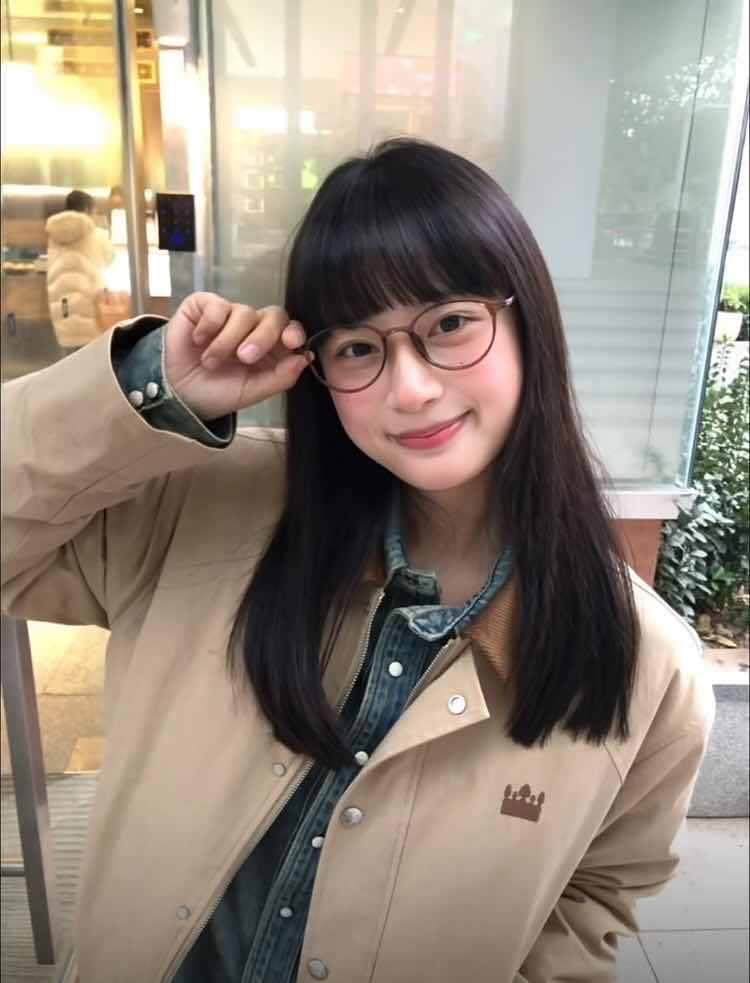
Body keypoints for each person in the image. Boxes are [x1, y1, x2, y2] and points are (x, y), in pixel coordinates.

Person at [2, 140, 714, 983]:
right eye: (357, 348)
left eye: (450, 323)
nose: (409, 388)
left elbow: (592, 897)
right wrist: (148, 387)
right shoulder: (198, 504)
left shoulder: (648, 670)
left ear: (529, 325)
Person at [45, 189, 114, 351]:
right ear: (87, 210)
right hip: (90, 312)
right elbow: (111, 258)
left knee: (71, 359)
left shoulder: (54, 235)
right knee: (91, 359)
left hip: (63, 308)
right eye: (95, 211)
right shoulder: (97, 234)